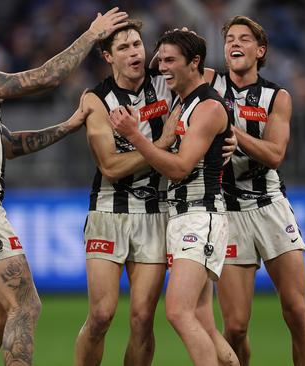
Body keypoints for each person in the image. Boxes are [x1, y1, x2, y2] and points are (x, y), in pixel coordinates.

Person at [0, 9, 128, 366]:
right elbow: (45, 78)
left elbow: (8, 146)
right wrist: (91, 35)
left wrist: (67, 127)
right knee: (25, 304)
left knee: (0, 313)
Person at [110, 30, 238, 366]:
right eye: (160, 60)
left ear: (194, 63)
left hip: (201, 215)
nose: (161, 68)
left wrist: (135, 136)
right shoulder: (184, 100)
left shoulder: (208, 106)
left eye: (170, 61)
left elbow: (180, 168)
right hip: (182, 217)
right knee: (205, 324)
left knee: (178, 312)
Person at [203, 15, 305, 365]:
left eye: (244, 39)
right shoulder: (209, 82)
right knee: (236, 326)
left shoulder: (276, 97)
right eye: (229, 40)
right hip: (229, 213)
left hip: (270, 208)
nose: (235, 44)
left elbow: (275, 154)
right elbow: (166, 67)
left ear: (260, 50)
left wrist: (233, 133)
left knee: (296, 311)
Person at [74, 19, 176, 366]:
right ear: (107, 56)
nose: (134, 52)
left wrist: (190, 49)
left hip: (156, 214)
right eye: (123, 47)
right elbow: (110, 167)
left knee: (143, 320)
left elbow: (206, 74)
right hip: (108, 212)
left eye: (137, 44)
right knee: (101, 315)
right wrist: (158, 146)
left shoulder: (166, 83)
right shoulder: (97, 99)